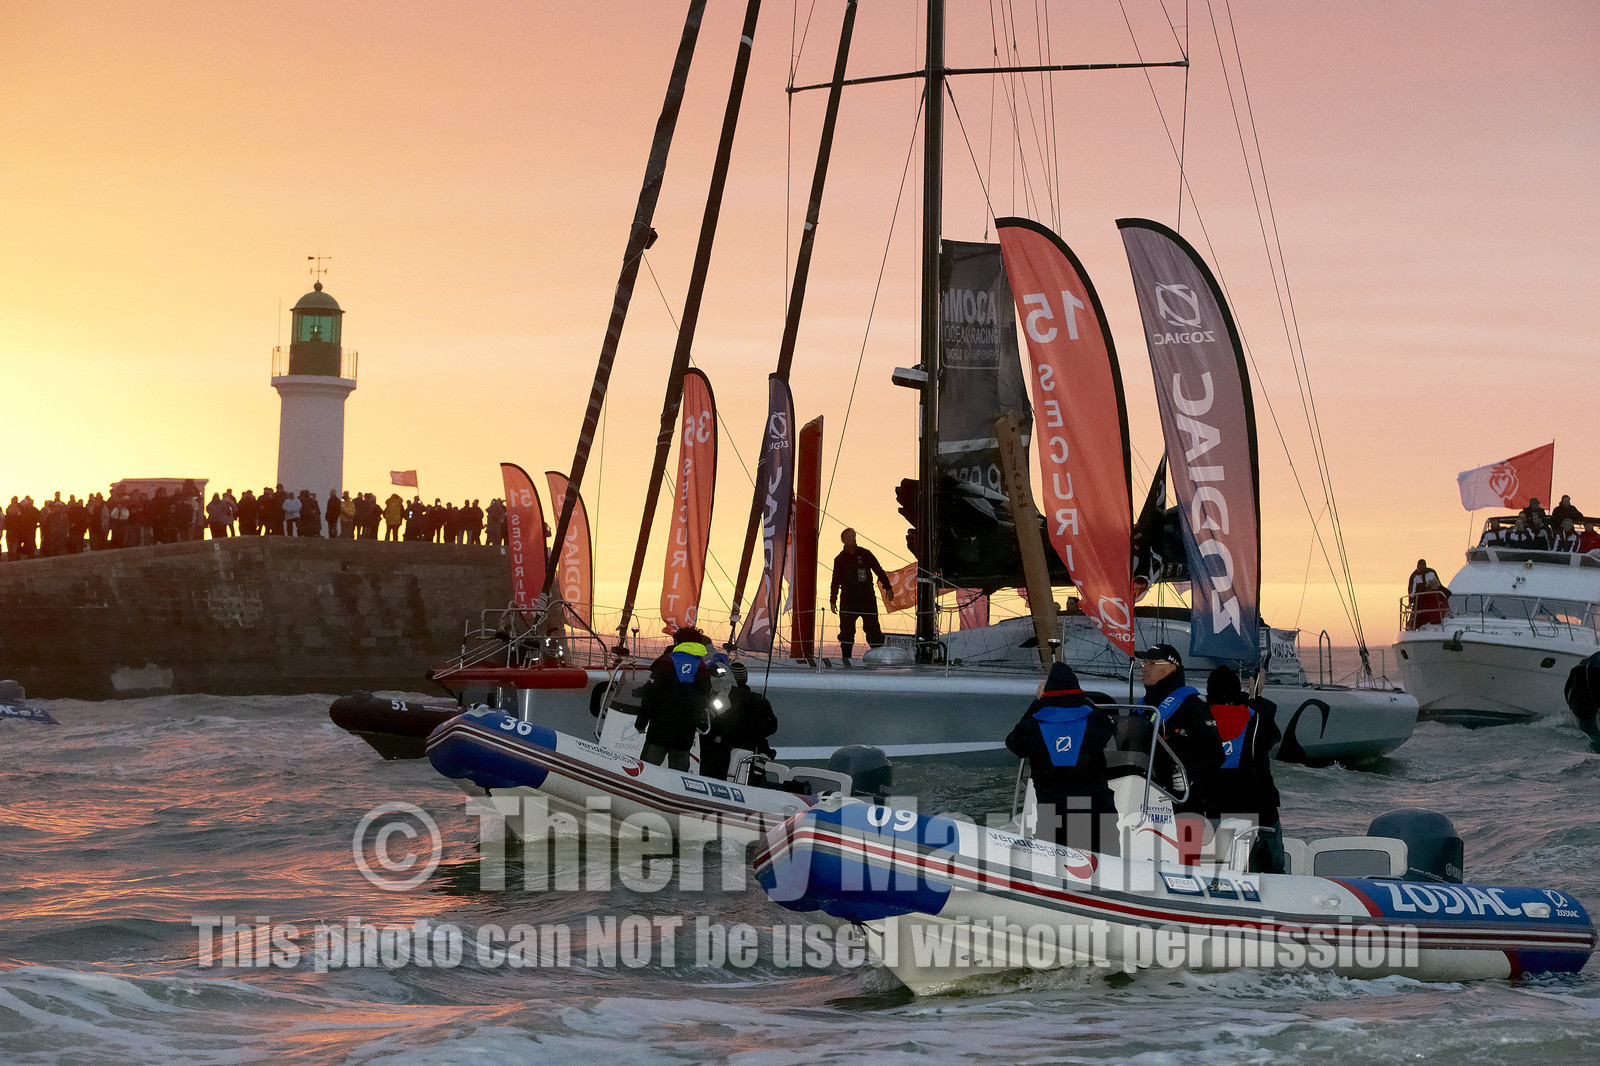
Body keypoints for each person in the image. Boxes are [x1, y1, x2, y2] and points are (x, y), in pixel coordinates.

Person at [1005, 661, 1117, 852]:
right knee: (1103, 868)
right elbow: (1110, 726)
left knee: (1054, 868)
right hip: (1095, 812)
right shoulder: (1094, 719)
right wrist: (1081, 699)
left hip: (1052, 816)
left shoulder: (1035, 722)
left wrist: (1038, 702)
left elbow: (1014, 744)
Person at [1203, 666, 1284, 873]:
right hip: (1260, 812)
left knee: (1217, 875)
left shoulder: (1200, 719)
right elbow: (1274, 739)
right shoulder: (1256, 718)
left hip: (1216, 812)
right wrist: (1256, 698)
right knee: (1274, 875)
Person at [1137, 644, 1224, 817]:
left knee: (1188, 843)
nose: (1145, 667)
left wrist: (1188, 776)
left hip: (1184, 804)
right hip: (1144, 799)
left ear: (1171, 669)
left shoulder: (1192, 707)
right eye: (1144, 663)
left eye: (1151, 663)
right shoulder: (1141, 708)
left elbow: (1216, 754)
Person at [635, 626, 715, 771]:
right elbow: (705, 698)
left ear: (677, 642)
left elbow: (650, 695)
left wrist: (641, 722)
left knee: (646, 770)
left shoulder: (665, 662)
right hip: (684, 732)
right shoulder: (702, 667)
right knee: (679, 774)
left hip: (660, 729)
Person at [699, 661, 779, 781]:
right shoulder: (759, 699)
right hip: (750, 749)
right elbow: (772, 726)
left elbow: (710, 722)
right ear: (746, 679)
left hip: (721, 753)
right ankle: (761, 759)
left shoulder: (722, 699)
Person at [828, 528, 892, 665]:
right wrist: (833, 600)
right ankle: (846, 659)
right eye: (848, 536)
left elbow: (878, 570)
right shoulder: (840, 559)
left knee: (873, 629)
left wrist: (888, 587)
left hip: (867, 598)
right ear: (843, 540)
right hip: (848, 599)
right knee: (846, 632)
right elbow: (835, 580)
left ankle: (878, 658)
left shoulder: (865, 554)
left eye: (853, 536)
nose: (852, 538)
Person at [1407, 559, 1449, 628]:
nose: (1422, 567)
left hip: (1432, 596)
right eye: (1420, 565)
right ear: (1417, 566)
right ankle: (1414, 624)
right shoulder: (1414, 576)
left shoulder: (1431, 572)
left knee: (1447, 593)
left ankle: (1443, 616)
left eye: (1423, 565)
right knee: (1419, 610)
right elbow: (1412, 590)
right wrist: (1411, 600)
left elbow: (1438, 584)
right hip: (1420, 598)